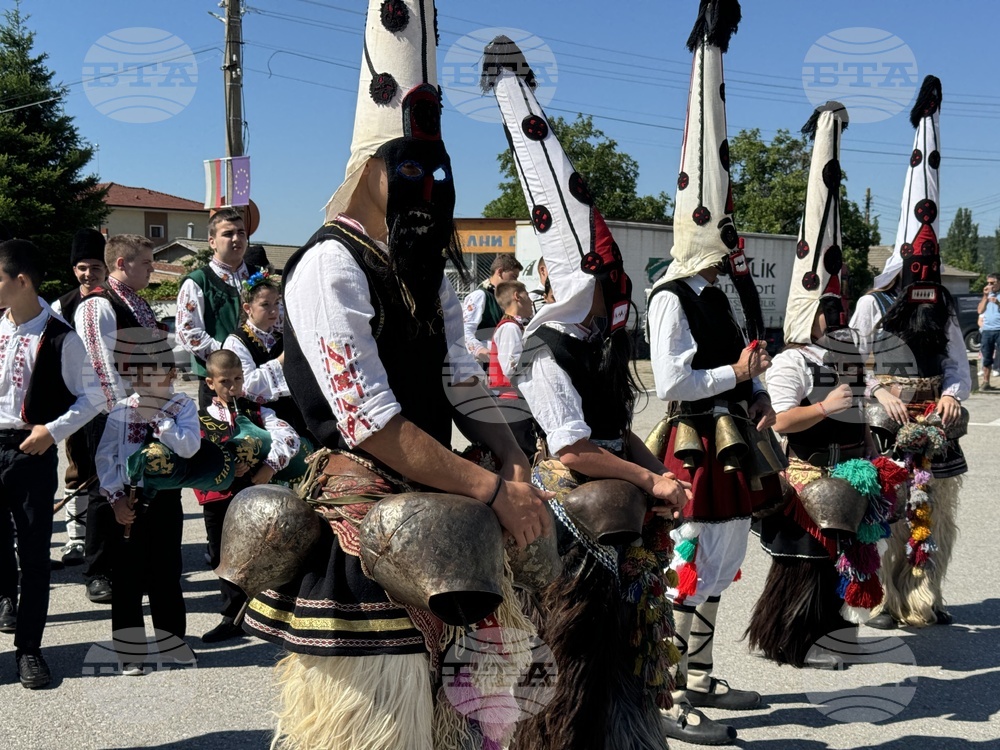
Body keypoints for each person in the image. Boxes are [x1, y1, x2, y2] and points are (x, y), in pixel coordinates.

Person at [240, 4, 552, 748]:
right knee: (381, 724)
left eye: (437, 169)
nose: (429, 184)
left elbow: (460, 380)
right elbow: (367, 422)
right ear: (370, 171)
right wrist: (489, 492)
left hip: (442, 514)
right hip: (364, 530)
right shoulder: (327, 266)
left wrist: (512, 460)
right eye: (410, 167)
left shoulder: (426, 274)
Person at [484, 37, 690, 750]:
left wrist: (658, 477)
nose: (618, 293)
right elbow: (573, 445)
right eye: (606, 283)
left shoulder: (601, 344)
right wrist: (644, 475)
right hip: (570, 507)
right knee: (568, 642)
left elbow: (615, 425)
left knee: (625, 641)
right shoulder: (543, 351)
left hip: (617, 494)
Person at [646, 1, 781, 743]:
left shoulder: (720, 290)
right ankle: (669, 693)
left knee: (723, 559)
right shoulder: (672, 296)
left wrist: (753, 384)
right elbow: (672, 383)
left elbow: (735, 367)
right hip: (694, 441)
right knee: (689, 565)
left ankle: (699, 673)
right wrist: (732, 372)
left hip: (730, 435)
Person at [745, 102, 904, 668]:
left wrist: (872, 405)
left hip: (851, 465)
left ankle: (831, 633)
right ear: (807, 312)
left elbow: (863, 402)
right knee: (806, 560)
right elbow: (779, 421)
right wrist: (829, 405)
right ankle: (792, 642)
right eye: (826, 309)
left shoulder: (853, 352)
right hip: (810, 469)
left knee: (844, 555)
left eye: (839, 307)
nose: (836, 317)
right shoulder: (792, 363)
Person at [850, 76, 970, 630]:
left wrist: (950, 397)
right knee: (890, 510)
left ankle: (923, 596)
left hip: (934, 422)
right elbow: (854, 362)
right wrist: (879, 389)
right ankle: (882, 598)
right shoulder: (873, 305)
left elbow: (954, 363)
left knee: (935, 511)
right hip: (886, 418)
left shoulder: (941, 305)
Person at [0, 239, 103, 688]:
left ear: (20, 282)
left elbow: (96, 397)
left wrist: (53, 431)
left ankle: (29, 649)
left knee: (35, 553)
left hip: (30, 451)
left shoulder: (61, 337)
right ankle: (6, 597)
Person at [96, 330, 200, 675]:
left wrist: (158, 417)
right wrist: (115, 498)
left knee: (166, 573)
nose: (141, 380)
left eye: (150, 372)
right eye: (136, 374)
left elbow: (188, 447)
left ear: (170, 374)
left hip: (165, 500)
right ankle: (130, 652)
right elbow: (105, 457)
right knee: (126, 577)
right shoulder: (122, 410)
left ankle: (173, 644)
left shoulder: (182, 407)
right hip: (128, 499)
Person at [75, 234, 162, 605]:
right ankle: (97, 570)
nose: (152, 268)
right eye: (145, 262)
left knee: (133, 485)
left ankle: (128, 563)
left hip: (140, 408)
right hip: (110, 412)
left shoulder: (136, 302)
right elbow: (99, 364)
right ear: (122, 264)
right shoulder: (100, 305)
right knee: (103, 488)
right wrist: (122, 411)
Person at [196, 349, 300, 643]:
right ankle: (233, 616)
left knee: (264, 549)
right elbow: (191, 454)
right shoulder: (200, 418)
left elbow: (288, 437)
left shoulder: (258, 411)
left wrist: (268, 466)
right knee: (221, 553)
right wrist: (222, 464)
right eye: (225, 381)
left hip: (254, 491)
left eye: (238, 379)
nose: (232, 387)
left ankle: (271, 610)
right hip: (218, 497)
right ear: (210, 383)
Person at [51, 228, 107, 566]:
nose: (89, 274)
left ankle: (104, 539)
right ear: (74, 269)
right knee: (77, 467)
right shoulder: (62, 306)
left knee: (108, 472)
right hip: (78, 399)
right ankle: (75, 540)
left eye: (95, 267)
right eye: (82, 267)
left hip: (115, 402)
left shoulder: (115, 300)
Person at [176, 208, 258, 409]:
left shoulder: (258, 277)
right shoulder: (198, 281)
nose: (236, 239)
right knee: (221, 438)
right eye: (228, 234)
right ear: (212, 241)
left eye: (241, 233)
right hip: (216, 381)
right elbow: (187, 331)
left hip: (257, 377)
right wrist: (230, 354)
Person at [222, 272, 308, 439]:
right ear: (248, 308)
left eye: (276, 303)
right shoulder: (236, 342)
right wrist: (281, 360)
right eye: (265, 304)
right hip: (256, 419)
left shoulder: (280, 337)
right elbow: (246, 384)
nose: (273, 310)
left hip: (291, 414)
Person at [488, 279, 537, 457]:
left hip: (511, 400)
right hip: (511, 400)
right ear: (517, 296)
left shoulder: (513, 326)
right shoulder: (510, 327)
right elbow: (510, 368)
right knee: (524, 452)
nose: (531, 301)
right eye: (527, 295)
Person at [463, 253, 522, 364]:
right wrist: (479, 349)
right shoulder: (480, 295)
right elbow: (465, 331)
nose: (515, 282)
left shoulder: (502, 299)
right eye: (513, 276)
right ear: (499, 272)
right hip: (481, 363)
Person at [978, 272, 1000, 390]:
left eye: (993, 283)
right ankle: (986, 382)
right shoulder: (987, 295)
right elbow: (980, 311)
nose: (990, 285)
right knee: (987, 357)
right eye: (988, 283)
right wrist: (985, 297)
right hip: (987, 330)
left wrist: (998, 303)